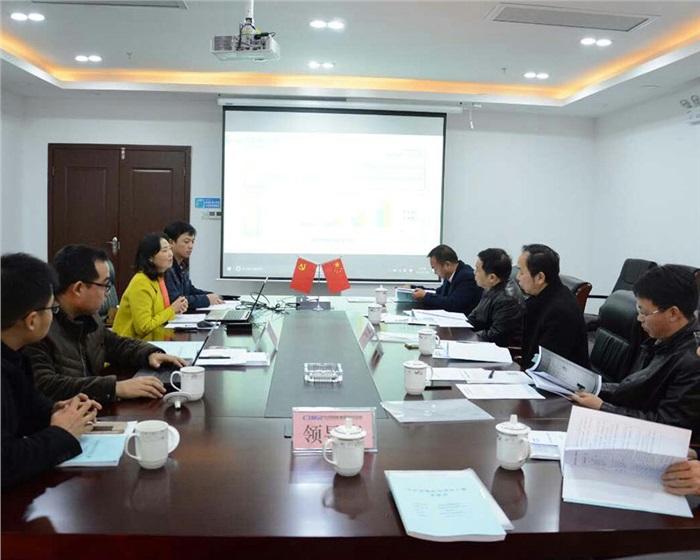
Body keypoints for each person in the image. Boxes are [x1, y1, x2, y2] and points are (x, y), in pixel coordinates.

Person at [25, 245, 187, 404]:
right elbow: (47, 385)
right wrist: (115, 388)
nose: (108, 293)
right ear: (79, 288)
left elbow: (115, 344)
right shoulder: (39, 329)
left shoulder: (88, 317)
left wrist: (149, 354)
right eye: (105, 285)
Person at [2, 253, 101, 487]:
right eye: (51, 309)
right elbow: (6, 463)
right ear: (32, 320)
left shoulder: (15, 353)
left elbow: (26, 409)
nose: (54, 314)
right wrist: (61, 433)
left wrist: (56, 410)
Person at [571, 265, 700, 437]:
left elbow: (669, 426)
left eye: (644, 312)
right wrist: (592, 388)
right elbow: (637, 388)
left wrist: (602, 408)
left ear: (673, 313)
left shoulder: (692, 361)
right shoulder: (664, 338)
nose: (639, 318)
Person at [517, 243, 589, 368]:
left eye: (521, 272)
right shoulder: (542, 296)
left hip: (561, 378)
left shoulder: (560, 312)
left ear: (540, 278)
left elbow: (545, 366)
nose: (518, 277)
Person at [113, 233, 189, 341]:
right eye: (165, 250)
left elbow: (158, 315)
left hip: (151, 341)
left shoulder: (158, 278)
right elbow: (143, 328)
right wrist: (172, 310)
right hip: (129, 346)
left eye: (170, 249)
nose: (170, 254)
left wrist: (176, 309)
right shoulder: (141, 283)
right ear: (150, 258)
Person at [468, 248, 522, 347]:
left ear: (492, 278)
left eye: (477, 269)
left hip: (504, 351)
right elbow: (475, 316)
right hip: (485, 343)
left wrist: (468, 337)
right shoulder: (489, 288)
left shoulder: (506, 299)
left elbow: (496, 336)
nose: (474, 272)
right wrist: (459, 327)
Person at [164, 222, 223, 310]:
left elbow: (189, 290)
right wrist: (206, 299)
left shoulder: (182, 265)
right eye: (186, 242)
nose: (191, 246)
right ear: (171, 242)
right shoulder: (166, 268)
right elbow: (176, 300)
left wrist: (211, 295)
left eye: (193, 242)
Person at [411, 244, 482, 315]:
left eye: (435, 268)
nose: (435, 272)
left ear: (447, 265)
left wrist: (426, 296)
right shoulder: (450, 275)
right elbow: (438, 292)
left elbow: (453, 304)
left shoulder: (466, 277)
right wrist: (413, 288)